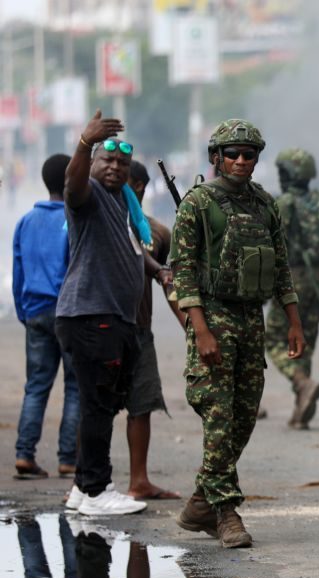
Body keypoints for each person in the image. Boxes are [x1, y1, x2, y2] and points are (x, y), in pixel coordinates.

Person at [171, 119, 305, 548]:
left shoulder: (265, 204)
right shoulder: (198, 204)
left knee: (244, 418)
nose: (242, 161)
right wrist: (201, 330)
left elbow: (281, 266)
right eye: (233, 154)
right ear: (216, 158)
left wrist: (294, 320)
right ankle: (226, 512)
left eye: (249, 155)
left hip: (251, 320)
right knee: (219, 416)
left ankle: (199, 503)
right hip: (213, 316)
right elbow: (183, 273)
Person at [57, 110, 159, 516]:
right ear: (95, 164)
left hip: (108, 317)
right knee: (99, 405)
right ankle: (98, 490)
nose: (115, 168)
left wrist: (160, 272)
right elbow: (72, 183)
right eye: (107, 161)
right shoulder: (89, 195)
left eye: (121, 163)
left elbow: (135, 251)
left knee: (98, 403)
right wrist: (84, 143)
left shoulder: (121, 202)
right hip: (92, 314)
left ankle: (84, 488)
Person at [266, 148, 319, 428]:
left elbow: (272, 247)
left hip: (291, 282)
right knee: (302, 343)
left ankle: (302, 383)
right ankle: (301, 408)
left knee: (275, 341)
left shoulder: (285, 204)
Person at [12, 153, 79, 480]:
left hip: (35, 311)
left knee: (36, 386)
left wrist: (24, 312)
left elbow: (18, 271)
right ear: (71, 179)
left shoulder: (26, 221)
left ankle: (25, 454)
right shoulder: (72, 218)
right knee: (75, 386)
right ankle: (68, 458)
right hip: (67, 312)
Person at [122, 160, 185, 501]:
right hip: (101, 329)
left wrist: (192, 327)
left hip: (139, 331)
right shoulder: (98, 222)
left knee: (141, 404)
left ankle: (139, 481)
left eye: (124, 180)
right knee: (93, 406)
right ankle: (86, 483)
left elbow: (170, 285)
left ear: (140, 187)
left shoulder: (157, 233)